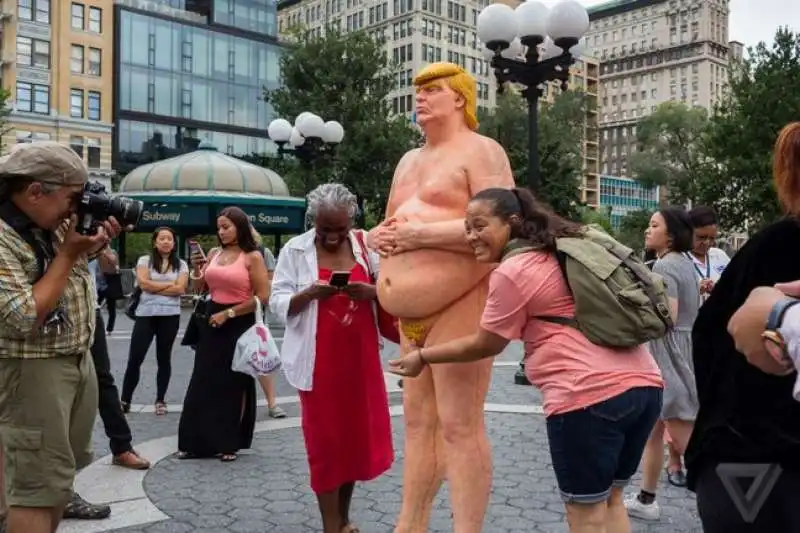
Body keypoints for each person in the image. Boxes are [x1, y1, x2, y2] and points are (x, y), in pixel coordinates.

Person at [388, 187, 663, 533]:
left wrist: (424, 356)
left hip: (587, 398)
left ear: (513, 222)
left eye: (480, 225)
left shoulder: (514, 270)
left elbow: (486, 343)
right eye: (467, 227)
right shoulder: (562, 248)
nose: (471, 236)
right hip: (645, 388)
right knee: (611, 501)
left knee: (586, 515)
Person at [367, 61, 515, 533]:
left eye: (432, 89)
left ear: (460, 98)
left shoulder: (482, 149)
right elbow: (395, 224)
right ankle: (411, 524)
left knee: (459, 425)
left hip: (462, 298)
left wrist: (420, 237)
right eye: (418, 90)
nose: (421, 97)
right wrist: (380, 236)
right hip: (411, 314)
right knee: (418, 425)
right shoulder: (407, 161)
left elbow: (500, 227)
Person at [0, 141, 125, 533]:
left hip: (73, 359)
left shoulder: (44, 224)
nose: (76, 209)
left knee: (56, 485)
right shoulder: (3, 235)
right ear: (36, 191)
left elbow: (52, 277)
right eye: (73, 198)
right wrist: (69, 254)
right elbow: (22, 315)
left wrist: (89, 246)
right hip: (34, 371)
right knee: (35, 490)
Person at [685, 122, 800, 532]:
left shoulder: (774, 246)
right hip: (757, 465)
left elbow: (711, 338)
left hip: (749, 455)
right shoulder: (778, 247)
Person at [271, 183, 393, 533]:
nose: (334, 236)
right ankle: (330, 525)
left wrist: (372, 292)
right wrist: (308, 294)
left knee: (353, 444)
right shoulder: (296, 250)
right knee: (326, 446)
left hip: (360, 361)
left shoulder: (366, 247)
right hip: (318, 364)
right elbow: (277, 303)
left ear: (351, 221)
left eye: (340, 229)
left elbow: (393, 289)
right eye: (326, 229)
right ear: (313, 222)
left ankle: (344, 518)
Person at [625, 207, 700, 520]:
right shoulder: (682, 262)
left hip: (667, 353)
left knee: (687, 439)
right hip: (674, 351)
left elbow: (665, 317)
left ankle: (736, 505)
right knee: (653, 431)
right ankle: (646, 498)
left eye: (654, 225)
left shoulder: (666, 266)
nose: (647, 230)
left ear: (670, 234)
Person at [64, 253, 151, 522]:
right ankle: (57, 489)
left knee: (102, 379)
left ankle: (121, 447)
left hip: (89, 311)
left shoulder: (82, 223)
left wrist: (99, 244)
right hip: (53, 313)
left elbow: (110, 267)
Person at [178, 206, 269, 462]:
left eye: (226, 227)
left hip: (239, 320)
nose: (222, 232)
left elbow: (263, 297)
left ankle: (229, 441)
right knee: (203, 380)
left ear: (240, 226)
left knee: (233, 382)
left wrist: (228, 314)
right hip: (211, 317)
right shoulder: (215, 253)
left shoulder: (252, 257)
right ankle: (194, 441)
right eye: (219, 227)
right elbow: (201, 287)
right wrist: (198, 270)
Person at [120, 227, 188, 415]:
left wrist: (155, 287)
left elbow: (181, 289)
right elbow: (143, 284)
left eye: (169, 238)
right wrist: (169, 285)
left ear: (174, 243)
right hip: (145, 315)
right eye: (162, 238)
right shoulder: (145, 261)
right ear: (155, 242)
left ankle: (160, 399)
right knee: (135, 358)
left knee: (163, 358)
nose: (166, 241)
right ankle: (125, 399)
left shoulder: (181, 264)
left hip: (170, 316)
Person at [251, 226, 286, 419]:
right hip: (224, 313)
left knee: (260, 358)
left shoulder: (262, 254)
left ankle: (272, 403)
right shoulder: (218, 253)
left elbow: (270, 283)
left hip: (254, 312)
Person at [686, 206, 731, 303]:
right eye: (701, 237)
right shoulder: (677, 260)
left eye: (712, 238)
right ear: (687, 232)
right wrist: (695, 290)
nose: (707, 242)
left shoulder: (720, 255)